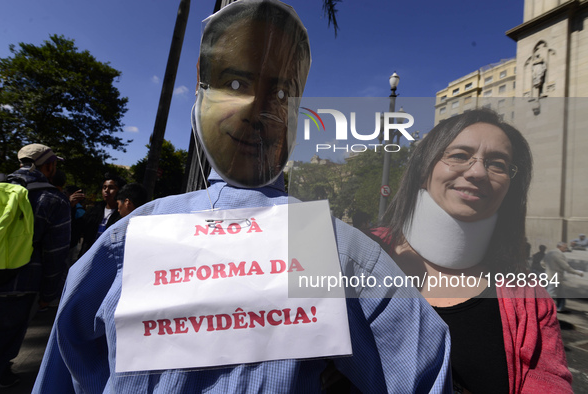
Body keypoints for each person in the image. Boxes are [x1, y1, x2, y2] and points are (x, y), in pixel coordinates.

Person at [33, 1, 451, 393]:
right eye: (237, 83)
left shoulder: (128, 240)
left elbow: (63, 369)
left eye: (280, 93)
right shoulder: (334, 247)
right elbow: (425, 369)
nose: (256, 108)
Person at [373, 109, 573, 392]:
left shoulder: (530, 296)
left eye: (498, 164)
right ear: (423, 170)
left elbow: (550, 382)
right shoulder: (354, 255)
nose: (478, 171)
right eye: (458, 155)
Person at [0, 144, 71, 388]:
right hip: (21, 284)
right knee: (5, 341)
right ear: (48, 166)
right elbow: (55, 253)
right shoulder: (53, 199)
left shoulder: (0, 188)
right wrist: (48, 295)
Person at [77, 172, 125, 257]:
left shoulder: (122, 214)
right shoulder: (94, 210)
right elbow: (78, 228)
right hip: (87, 256)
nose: (106, 190)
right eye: (104, 187)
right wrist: (71, 206)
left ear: (119, 191)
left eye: (111, 188)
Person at [542, 242, 584, 312]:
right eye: (565, 247)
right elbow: (566, 267)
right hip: (555, 277)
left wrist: (548, 269)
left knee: (561, 294)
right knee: (550, 293)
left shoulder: (550, 252)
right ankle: (544, 308)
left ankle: (560, 308)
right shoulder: (559, 254)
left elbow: (542, 263)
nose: (566, 249)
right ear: (559, 247)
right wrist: (578, 273)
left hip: (549, 275)